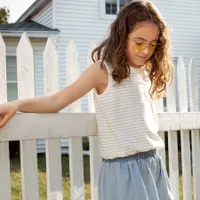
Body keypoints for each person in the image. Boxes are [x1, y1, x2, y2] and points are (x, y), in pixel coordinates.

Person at [0, 0, 174, 199]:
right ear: (122, 36)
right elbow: (57, 101)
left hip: (153, 164)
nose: (145, 51)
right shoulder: (103, 71)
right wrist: (17, 104)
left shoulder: (145, 72)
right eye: (139, 42)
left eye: (153, 45)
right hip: (123, 173)